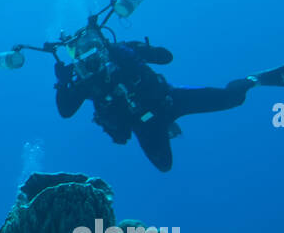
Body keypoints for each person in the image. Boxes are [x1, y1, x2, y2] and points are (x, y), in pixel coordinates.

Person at [52, 27, 257, 172]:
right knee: (164, 165)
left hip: (170, 100)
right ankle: (168, 129)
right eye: (79, 50)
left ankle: (251, 81)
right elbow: (66, 111)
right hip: (143, 126)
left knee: (233, 99)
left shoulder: (121, 52)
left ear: (98, 40)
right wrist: (62, 84)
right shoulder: (85, 81)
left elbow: (166, 57)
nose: (89, 56)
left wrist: (136, 50)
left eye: (89, 45)